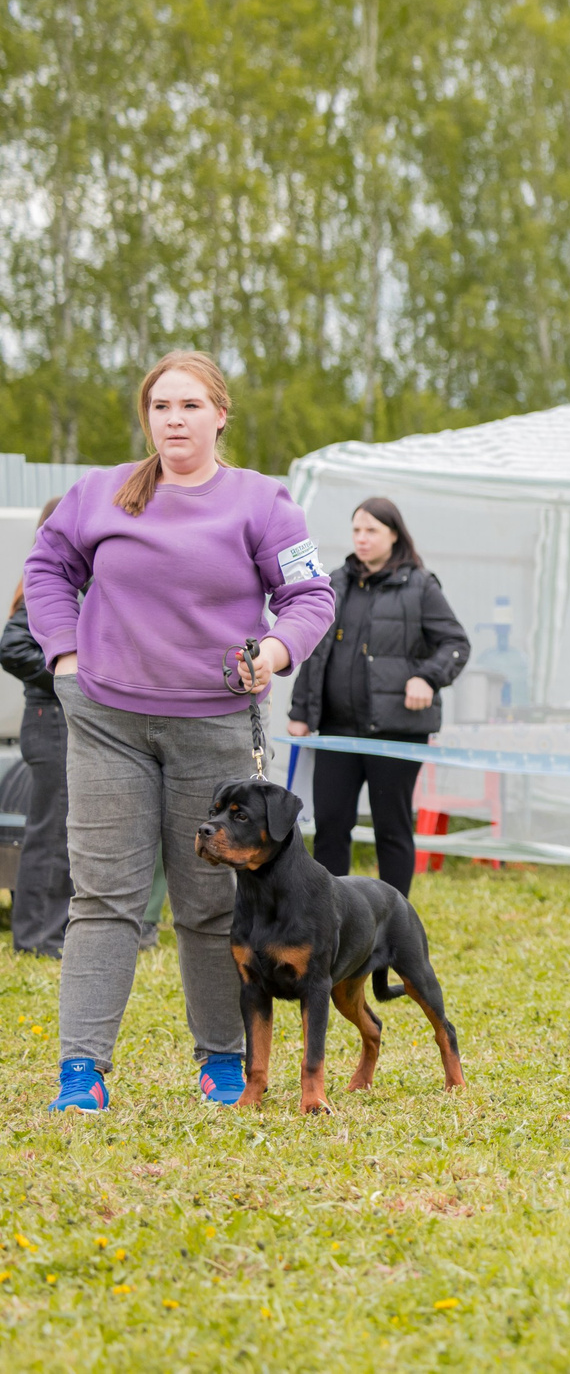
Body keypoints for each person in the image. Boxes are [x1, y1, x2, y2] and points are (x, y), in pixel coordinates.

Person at [22, 351, 335, 1111]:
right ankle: (81, 1073)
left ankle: (224, 1064)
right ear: (147, 416)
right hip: (105, 720)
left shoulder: (265, 503)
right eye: (161, 406)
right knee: (104, 898)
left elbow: (311, 595)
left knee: (206, 903)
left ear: (220, 414)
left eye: (190, 406)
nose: (174, 420)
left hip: (215, 725)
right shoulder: (100, 493)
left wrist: (275, 648)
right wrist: (63, 651)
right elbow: (45, 566)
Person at [286, 497, 470, 895]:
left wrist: (427, 677)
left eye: (371, 530)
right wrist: (300, 710)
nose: (362, 538)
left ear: (394, 535)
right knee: (331, 825)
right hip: (336, 731)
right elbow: (314, 651)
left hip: (397, 734)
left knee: (392, 828)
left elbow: (455, 644)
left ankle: (394, 924)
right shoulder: (335, 582)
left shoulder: (420, 586)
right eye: (356, 530)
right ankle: (330, 921)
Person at [3, 497, 70, 956]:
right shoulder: (44, 583)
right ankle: (35, 937)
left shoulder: (73, 580)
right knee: (49, 832)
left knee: (64, 830)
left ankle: (51, 932)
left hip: (61, 720)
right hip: (50, 720)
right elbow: (11, 646)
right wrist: (68, 678)